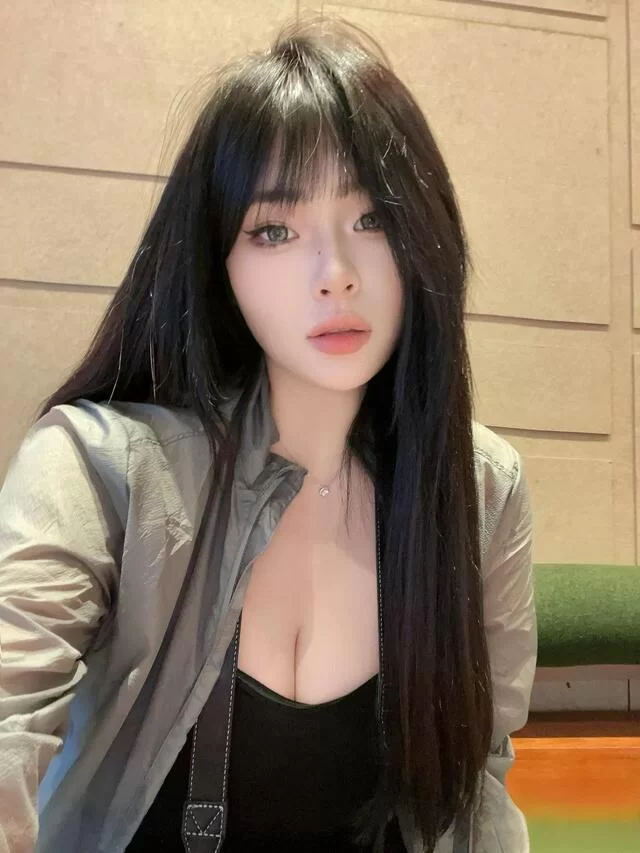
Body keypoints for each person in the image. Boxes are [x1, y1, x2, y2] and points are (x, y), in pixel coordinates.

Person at [0, 14, 537, 853]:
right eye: (275, 230)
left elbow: (477, 787)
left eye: (373, 219)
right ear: (219, 262)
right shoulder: (98, 466)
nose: (335, 275)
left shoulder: (479, 485)